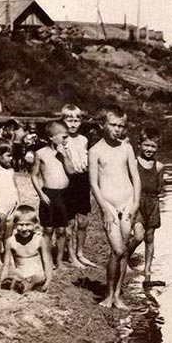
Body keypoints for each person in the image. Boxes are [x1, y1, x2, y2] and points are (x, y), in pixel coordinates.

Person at [89, 107, 141, 308]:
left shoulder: (126, 148)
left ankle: (118, 295)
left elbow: (135, 178)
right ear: (102, 125)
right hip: (109, 204)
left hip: (127, 202)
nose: (118, 130)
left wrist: (135, 204)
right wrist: (103, 208)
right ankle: (108, 294)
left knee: (125, 252)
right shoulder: (95, 151)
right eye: (113, 125)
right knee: (117, 249)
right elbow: (94, 183)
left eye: (121, 126)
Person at [32, 120, 74, 269]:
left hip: (63, 195)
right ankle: (47, 259)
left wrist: (65, 156)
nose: (66, 140)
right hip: (49, 193)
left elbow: (71, 171)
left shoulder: (64, 153)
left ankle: (60, 260)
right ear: (51, 137)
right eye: (63, 137)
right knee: (48, 229)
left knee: (62, 230)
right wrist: (41, 194)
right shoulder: (40, 153)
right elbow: (34, 175)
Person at [128, 124, 165, 287]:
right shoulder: (134, 163)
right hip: (137, 201)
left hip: (152, 203)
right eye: (146, 145)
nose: (149, 149)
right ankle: (125, 256)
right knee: (138, 236)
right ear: (139, 145)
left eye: (153, 146)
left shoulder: (159, 166)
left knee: (150, 238)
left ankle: (147, 269)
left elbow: (159, 188)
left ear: (158, 147)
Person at [61, 105, 97, 268]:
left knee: (83, 220)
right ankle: (70, 255)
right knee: (70, 222)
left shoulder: (84, 139)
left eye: (76, 120)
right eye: (69, 120)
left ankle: (80, 252)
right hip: (67, 181)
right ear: (63, 121)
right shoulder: (61, 139)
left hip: (82, 180)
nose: (73, 124)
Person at [0, 205, 53, 294]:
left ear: (35, 224)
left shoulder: (39, 240)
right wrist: (1, 280)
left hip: (37, 274)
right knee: (14, 273)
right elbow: (6, 265)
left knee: (35, 278)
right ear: (15, 225)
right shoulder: (10, 241)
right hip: (20, 273)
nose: (24, 229)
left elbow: (47, 263)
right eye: (20, 225)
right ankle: (16, 286)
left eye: (28, 224)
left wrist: (48, 280)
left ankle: (24, 288)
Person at [0, 137, 20, 266]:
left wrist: (18, 202)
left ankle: (8, 256)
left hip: (11, 206)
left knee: (9, 234)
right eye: (8, 156)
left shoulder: (11, 171)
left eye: (12, 156)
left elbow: (15, 187)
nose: (11, 159)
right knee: (0, 233)